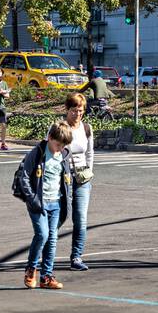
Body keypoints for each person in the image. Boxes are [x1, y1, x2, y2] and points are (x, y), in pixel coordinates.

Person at [14, 121, 73, 290]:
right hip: (38, 203)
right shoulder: (38, 152)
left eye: (63, 145)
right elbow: (24, 177)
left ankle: (46, 276)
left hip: (56, 202)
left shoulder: (64, 155)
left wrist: (68, 198)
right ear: (49, 138)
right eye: (57, 144)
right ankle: (31, 269)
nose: (60, 148)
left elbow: (68, 179)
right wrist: (32, 199)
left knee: (52, 239)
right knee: (42, 235)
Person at [60, 94, 94, 271]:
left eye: (80, 111)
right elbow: (49, 151)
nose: (77, 114)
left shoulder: (86, 128)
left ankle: (76, 257)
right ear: (67, 110)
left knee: (80, 218)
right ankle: (44, 252)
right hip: (62, 177)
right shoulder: (59, 128)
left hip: (82, 178)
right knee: (58, 217)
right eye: (74, 111)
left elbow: (89, 153)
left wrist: (89, 171)